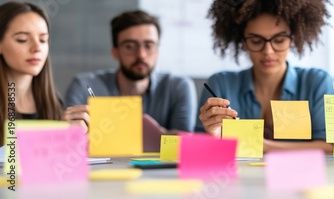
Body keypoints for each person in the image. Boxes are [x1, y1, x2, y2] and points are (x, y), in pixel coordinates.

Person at [196, 0, 334, 153]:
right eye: (256, 41)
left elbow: (329, 146)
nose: (268, 51)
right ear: (243, 43)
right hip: (238, 176)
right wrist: (213, 135)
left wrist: (262, 145)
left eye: (279, 40)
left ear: (293, 39)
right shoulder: (221, 84)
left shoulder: (315, 82)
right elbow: (201, 148)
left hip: (299, 176)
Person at [65, 10, 197, 133]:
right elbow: (71, 140)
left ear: (157, 51)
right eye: (129, 46)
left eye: (148, 45)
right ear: (115, 52)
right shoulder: (84, 85)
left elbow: (184, 146)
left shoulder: (179, 87)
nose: (141, 55)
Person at [0, 2, 88, 145]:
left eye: (42, 40)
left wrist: (69, 137)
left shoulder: (53, 102)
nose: (37, 48)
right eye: (22, 40)